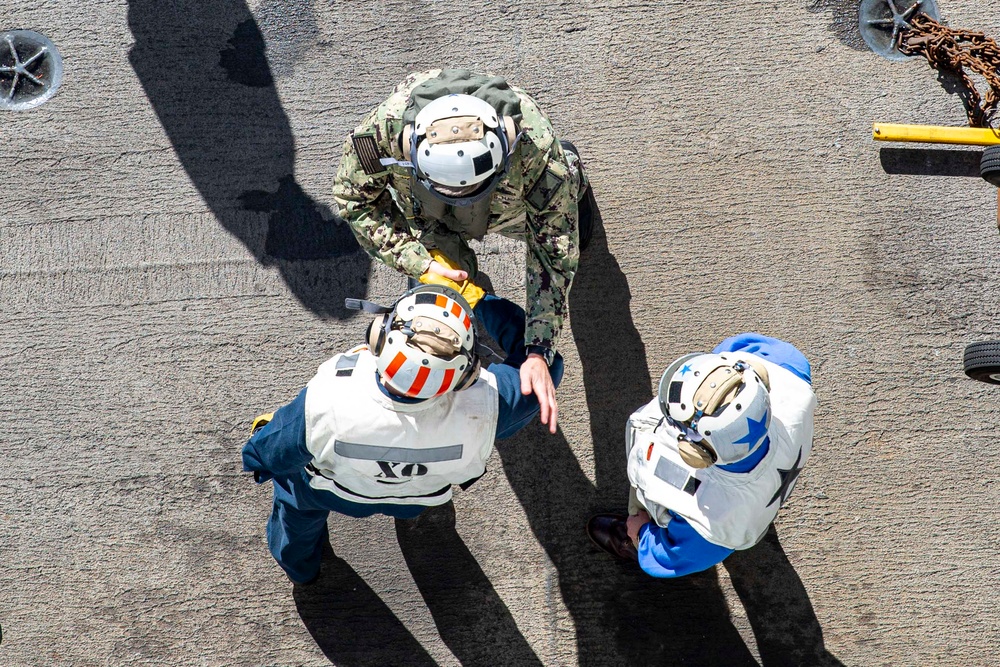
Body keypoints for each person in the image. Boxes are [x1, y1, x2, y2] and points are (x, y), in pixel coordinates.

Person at [242, 285, 564, 585]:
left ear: (378, 337)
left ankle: (301, 569)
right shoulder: (487, 407)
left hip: (331, 491)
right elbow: (542, 368)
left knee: (293, 497)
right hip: (419, 498)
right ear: (464, 375)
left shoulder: (327, 401)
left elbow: (267, 452)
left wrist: (262, 445)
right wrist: (480, 300)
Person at [332, 68, 595, 433]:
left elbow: (551, 257)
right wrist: (417, 260)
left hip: (509, 205)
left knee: (570, 233)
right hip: (428, 214)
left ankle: (574, 173)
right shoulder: (383, 133)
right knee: (438, 295)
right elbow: (353, 200)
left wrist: (538, 349)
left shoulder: (535, 146)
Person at [586, 334, 816, 577]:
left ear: (697, 453)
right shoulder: (786, 368)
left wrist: (642, 533)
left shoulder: (712, 524)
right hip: (756, 499)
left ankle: (632, 538)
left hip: (722, 520)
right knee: (749, 513)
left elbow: (670, 556)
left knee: (657, 502)